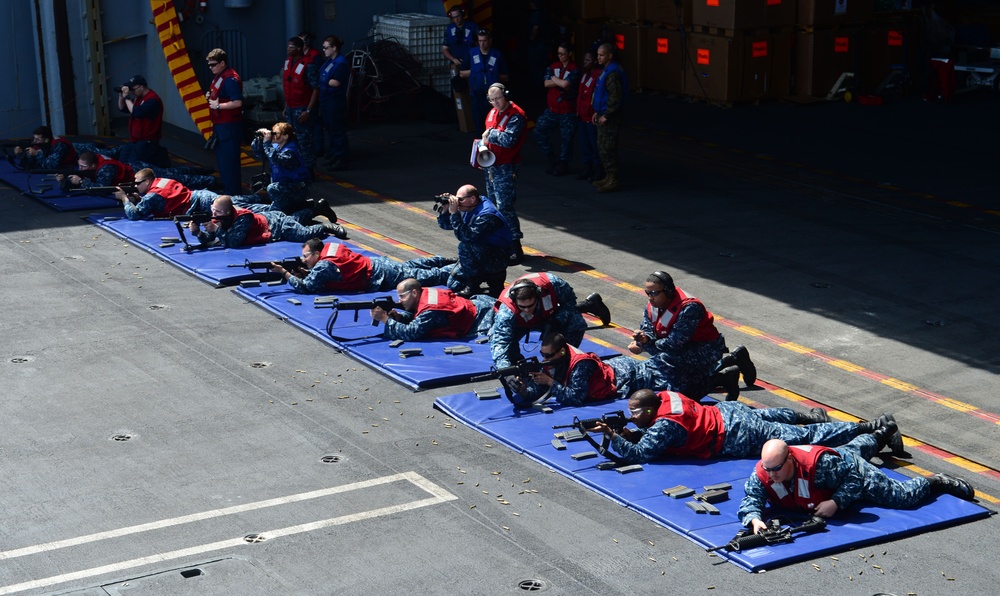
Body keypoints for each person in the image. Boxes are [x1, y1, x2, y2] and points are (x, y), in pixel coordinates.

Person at [590, 389, 903, 466]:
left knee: (804, 438)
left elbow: (640, 455)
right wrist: (633, 429)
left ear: (649, 410)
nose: (631, 418)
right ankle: (812, 415)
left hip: (736, 434)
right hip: (730, 412)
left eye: (634, 413)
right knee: (779, 418)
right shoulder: (666, 397)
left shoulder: (664, 425)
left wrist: (615, 437)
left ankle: (871, 426)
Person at [738, 437, 975, 534]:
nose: (772, 475)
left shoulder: (821, 467)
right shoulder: (764, 472)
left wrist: (835, 502)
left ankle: (936, 480)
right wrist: (754, 519)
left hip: (850, 470)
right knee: (849, 450)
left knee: (901, 497)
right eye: (768, 469)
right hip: (839, 461)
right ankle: (880, 434)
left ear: (789, 459)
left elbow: (854, 478)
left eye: (776, 469)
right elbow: (752, 497)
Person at [628, 270, 755, 401]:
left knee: (666, 360)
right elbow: (647, 327)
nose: (650, 297)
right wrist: (643, 337)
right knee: (680, 378)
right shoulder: (654, 305)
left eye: (654, 293)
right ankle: (727, 373)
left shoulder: (689, 308)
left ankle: (717, 378)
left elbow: (674, 343)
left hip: (707, 348)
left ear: (668, 291)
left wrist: (645, 345)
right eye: (648, 293)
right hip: (685, 349)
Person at [510, 332, 672, 407]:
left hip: (629, 376)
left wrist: (550, 382)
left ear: (562, 351)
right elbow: (538, 390)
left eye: (549, 355)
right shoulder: (553, 360)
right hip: (615, 369)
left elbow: (576, 398)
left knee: (669, 377)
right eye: (542, 355)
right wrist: (524, 390)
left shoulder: (580, 363)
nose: (545, 359)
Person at [490, 272, 610, 368]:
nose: (527, 310)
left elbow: (569, 303)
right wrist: (505, 371)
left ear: (538, 295)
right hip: (519, 324)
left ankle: (562, 360)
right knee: (499, 341)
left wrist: (556, 322)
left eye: (530, 305)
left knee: (576, 322)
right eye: (522, 307)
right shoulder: (506, 312)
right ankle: (518, 364)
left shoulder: (552, 284)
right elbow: (500, 343)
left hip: (547, 316)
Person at [271, 238, 455, 295]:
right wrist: (306, 271)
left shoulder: (324, 265)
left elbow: (306, 287)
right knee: (411, 266)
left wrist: (284, 273)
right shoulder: (330, 247)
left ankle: (457, 268)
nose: (304, 260)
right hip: (377, 265)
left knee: (426, 277)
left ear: (317, 254)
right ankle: (444, 260)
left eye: (306, 256)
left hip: (379, 274)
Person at [436, 184, 511, 298]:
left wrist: (454, 213)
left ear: (472, 199)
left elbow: (464, 235)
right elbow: (447, 225)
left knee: (464, 246)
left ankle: (474, 285)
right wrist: (446, 210)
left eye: (460, 199)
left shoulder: (488, 215)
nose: (458, 202)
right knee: (454, 285)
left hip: (497, 258)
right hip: (483, 252)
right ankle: (482, 278)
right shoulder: (470, 206)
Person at [480, 83, 526, 264]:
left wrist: (489, 134)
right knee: (492, 205)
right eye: (492, 100)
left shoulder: (516, 115)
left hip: (506, 166)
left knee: (505, 206)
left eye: (498, 98)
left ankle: (515, 245)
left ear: (506, 95)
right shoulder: (492, 113)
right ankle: (499, 243)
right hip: (491, 165)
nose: (495, 103)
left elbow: (508, 140)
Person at [370, 278, 494, 341]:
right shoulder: (424, 292)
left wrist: (384, 319)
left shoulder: (430, 309)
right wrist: (400, 318)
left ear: (414, 292)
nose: (400, 300)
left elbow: (410, 333)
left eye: (402, 296)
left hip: (484, 319)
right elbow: (418, 316)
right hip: (481, 305)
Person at [190, 195, 334, 248]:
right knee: (295, 220)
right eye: (213, 210)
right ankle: (315, 209)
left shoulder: (242, 217)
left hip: (275, 225)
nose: (214, 214)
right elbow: (211, 239)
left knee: (302, 234)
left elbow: (234, 242)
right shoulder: (221, 216)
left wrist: (216, 229)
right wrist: (198, 233)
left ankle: (326, 227)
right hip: (272, 219)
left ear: (228, 211)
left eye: (218, 212)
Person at [250, 123, 329, 216]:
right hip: (286, 185)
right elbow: (260, 154)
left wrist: (267, 143)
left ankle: (300, 209)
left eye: (276, 133)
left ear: (285, 136)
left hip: (298, 188)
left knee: (272, 190)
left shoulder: (290, 151)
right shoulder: (276, 147)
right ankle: (299, 206)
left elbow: (276, 160)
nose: (273, 135)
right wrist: (259, 139)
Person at [205, 48, 244, 195]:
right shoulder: (219, 76)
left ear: (222, 63)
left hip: (229, 126)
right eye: (209, 65)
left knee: (230, 163)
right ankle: (229, 191)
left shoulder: (230, 79)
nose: (211, 68)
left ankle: (233, 194)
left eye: (213, 64)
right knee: (223, 162)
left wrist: (218, 105)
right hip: (220, 125)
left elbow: (237, 102)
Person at [535, 42, 578, 176]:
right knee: (539, 130)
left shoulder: (574, 68)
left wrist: (554, 79)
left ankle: (563, 163)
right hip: (552, 109)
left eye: (563, 53)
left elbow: (566, 84)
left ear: (569, 53)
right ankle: (551, 157)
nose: (560, 56)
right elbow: (546, 83)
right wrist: (558, 80)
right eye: (558, 53)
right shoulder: (554, 66)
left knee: (567, 138)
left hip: (567, 111)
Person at [591, 43, 627, 193]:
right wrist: (597, 111)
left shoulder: (612, 73)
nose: (598, 57)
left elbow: (615, 97)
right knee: (602, 146)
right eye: (598, 55)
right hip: (602, 113)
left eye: (601, 55)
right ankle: (608, 175)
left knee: (608, 147)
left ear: (609, 56)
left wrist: (607, 115)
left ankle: (613, 178)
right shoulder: (606, 70)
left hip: (609, 117)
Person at [116, 168, 218, 220]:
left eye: (137, 183)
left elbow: (133, 215)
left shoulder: (152, 195)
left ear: (147, 182)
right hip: (201, 196)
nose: (136, 186)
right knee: (232, 202)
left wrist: (124, 198)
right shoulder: (161, 181)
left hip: (200, 204)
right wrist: (139, 199)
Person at [282, 36, 320, 170]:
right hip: (291, 108)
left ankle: (309, 170)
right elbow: (289, 86)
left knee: (304, 142)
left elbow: (316, 89)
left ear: (298, 49)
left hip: (302, 109)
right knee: (290, 140)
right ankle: (295, 168)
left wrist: (308, 110)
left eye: (291, 47)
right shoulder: (288, 62)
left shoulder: (309, 65)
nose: (288, 49)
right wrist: (286, 106)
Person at [461, 29, 508, 136]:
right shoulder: (472, 53)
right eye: (480, 41)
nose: (482, 43)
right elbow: (462, 73)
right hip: (476, 95)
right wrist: (476, 71)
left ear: (490, 40)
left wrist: (493, 74)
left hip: (493, 97)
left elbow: (505, 76)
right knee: (478, 125)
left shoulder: (497, 54)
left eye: (484, 40)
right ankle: (480, 148)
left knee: (493, 125)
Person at [117, 75, 167, 166]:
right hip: (135, 140)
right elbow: (123, 108)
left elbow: (137, 113)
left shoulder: (153, 100)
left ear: (141, 87)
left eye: (133, 89)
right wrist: (121, 96)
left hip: (147, 141)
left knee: (133, 165)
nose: (132, 92)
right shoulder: (138, 98)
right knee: (122, 163)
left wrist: (127, 97)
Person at [318, 35, 350, 171]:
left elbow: (336, 82)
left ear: (334, 48)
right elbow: (323, 76)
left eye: (326, 47)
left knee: (337, 130)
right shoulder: (330, 61)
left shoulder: (341, 63)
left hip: (335, 101)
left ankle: (340, 158)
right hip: (326, 99)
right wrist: (326, 80)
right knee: (330, 129)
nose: (324, 50)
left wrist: (325, 80)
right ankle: (333, 154)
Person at [575, 50, 602, 182]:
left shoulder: (598, 76)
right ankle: (588, 168)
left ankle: (598, 170)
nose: (585, 62)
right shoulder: (585, 75)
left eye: (588, 60)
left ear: (594, 61)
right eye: (584, 60)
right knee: (585, 143)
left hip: (591, 117)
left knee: (594, 144)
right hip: (582, 115)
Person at [12, 125, 77, 169]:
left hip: (81, 151)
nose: (34, 141)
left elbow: (52, 165)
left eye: (38, 139)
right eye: (34, 138)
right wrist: (21, 155)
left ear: (46, 140)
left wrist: (37, 154)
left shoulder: (59, 145)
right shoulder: (41, 144)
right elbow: (29, 165)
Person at [441, 6, 477, 73]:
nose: (456, 19)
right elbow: (444, 49)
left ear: (462, 15)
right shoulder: (449, 29)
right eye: (454, 17)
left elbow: (481, 43)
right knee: (455, 82)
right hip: (455, 64)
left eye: (458, 16)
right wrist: (454, 59)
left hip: (471, 64)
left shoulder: (472, 26)